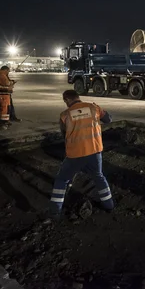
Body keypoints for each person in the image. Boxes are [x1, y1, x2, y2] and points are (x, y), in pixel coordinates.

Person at [49, 90, 115, 220]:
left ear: (67, 99)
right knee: (98, 176)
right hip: (94, 152)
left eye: (65, 101)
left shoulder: (65, 115)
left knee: (62, 179)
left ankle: (55, 212)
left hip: (75, 154)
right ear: (78, 97)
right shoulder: (93, 108)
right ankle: (109, 205)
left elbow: (64, 136)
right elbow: (108, 119)